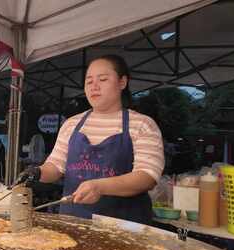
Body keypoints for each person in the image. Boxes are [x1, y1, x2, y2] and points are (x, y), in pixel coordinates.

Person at [17, 54, 164, 224]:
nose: (94, 86)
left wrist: (99, 187)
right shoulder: (72, 124)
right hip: (73, 222)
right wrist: (36, 173)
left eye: (102, 79)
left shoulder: (142, 124)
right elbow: (55, 167)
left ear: (122, 82)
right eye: (89, 81)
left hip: (125, 227)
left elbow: (147, 177)